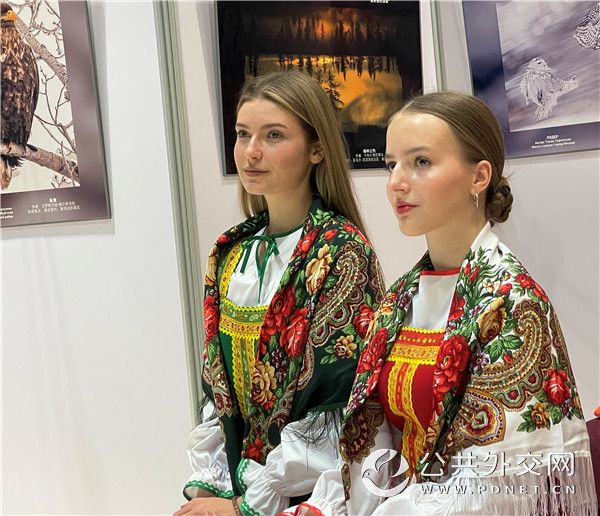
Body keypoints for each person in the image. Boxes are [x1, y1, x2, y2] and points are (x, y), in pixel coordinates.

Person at [294, 91, 596, 515]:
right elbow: (372, 445)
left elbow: (496, 481)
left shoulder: (512, 303)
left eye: (421, 162)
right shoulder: (400, 298)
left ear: (479, 177)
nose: (397, 182)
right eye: (391, 164)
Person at [174, 71, 385, 516]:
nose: (251, 151)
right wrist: (211, 491)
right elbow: (217, 393)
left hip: (313, 499)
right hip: (234, 495)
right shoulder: (230, 253)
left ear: (316, 148)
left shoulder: (342, 253)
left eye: (273, 135)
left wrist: (244, 505)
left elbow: (339, 409)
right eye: (243, 134)